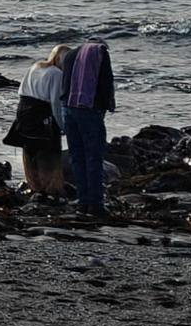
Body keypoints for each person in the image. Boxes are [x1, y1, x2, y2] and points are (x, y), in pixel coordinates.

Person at [62, 35, 118, 219]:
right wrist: (107, 106)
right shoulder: (99, 52)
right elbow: (105, 83)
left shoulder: (69, 54)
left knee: (77, 157)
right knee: (94, 157)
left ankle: (82, 202)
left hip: (68, 108)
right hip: (89, 109)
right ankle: (95, 205)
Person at [8, 45, 71, 202]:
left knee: (30, 150)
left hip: (23, 111)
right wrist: (63, 126)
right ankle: (52, 190)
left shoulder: (35, 66)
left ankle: (34, 187)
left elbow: (21, 91)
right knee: (49, 151)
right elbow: (56, 103)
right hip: (43, 113)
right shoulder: (56, 74)